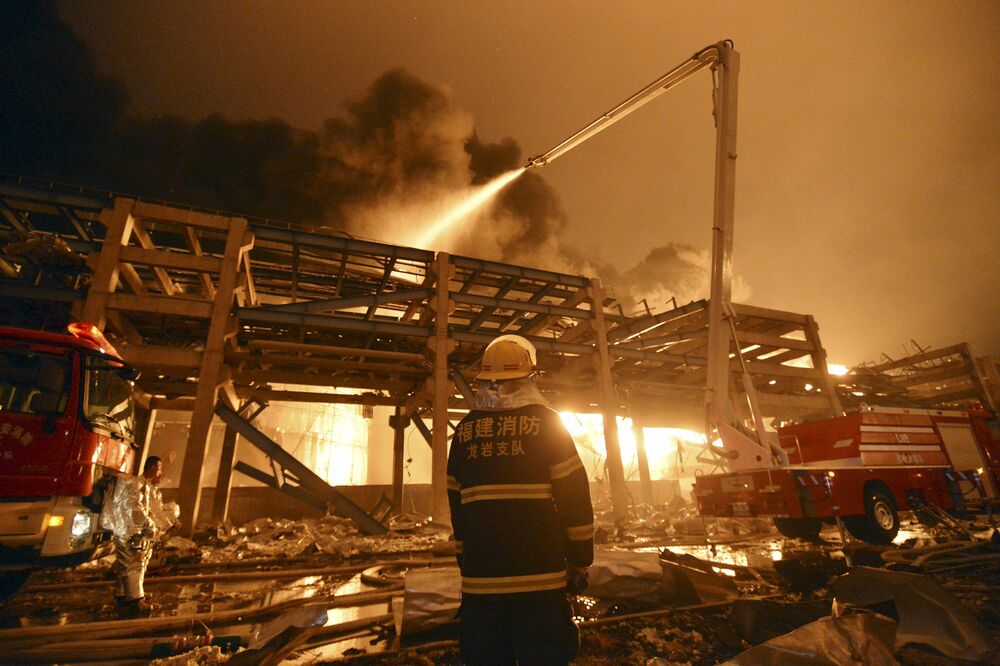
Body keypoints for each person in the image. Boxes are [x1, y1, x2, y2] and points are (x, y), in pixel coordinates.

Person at [446, 335, 594, 665]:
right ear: (529, 378)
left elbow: (458, 510)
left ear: (486, 382)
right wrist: (580, 557)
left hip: (481, 584)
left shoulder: (465, 431)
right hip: (540, 581)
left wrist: (467, 562)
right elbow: (574, 498)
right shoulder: (547, 423)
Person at [104, 456, 168, 617]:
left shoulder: (142, 485)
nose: (160, 473)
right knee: (135, 565)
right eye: (159, 468)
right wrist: (150, 526)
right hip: (129, 532)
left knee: (125, 565)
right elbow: (136, 510)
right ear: (153, 468)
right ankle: (135, 601)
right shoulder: (135, 485)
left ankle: (121, 596)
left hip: (128, 531)